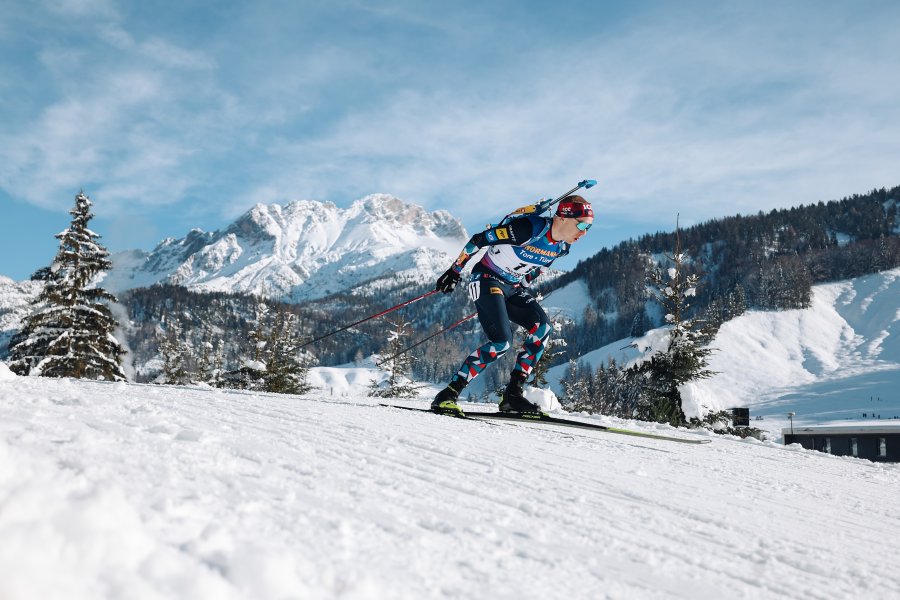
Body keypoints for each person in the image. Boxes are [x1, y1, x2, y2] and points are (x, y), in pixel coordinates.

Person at [432, 195, 594, 415]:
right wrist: (455, 270)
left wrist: (524, 284)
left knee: (543, 328)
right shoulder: (527, 229)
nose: (584, 232)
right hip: (487, 278)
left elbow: (539, 265)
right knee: (501, 343)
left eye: (589, 227)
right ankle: (448, 394)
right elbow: (479, 239)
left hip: (512, 287)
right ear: (563, 217)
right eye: (582, 225)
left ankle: (513, 396)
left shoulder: (563, 247)